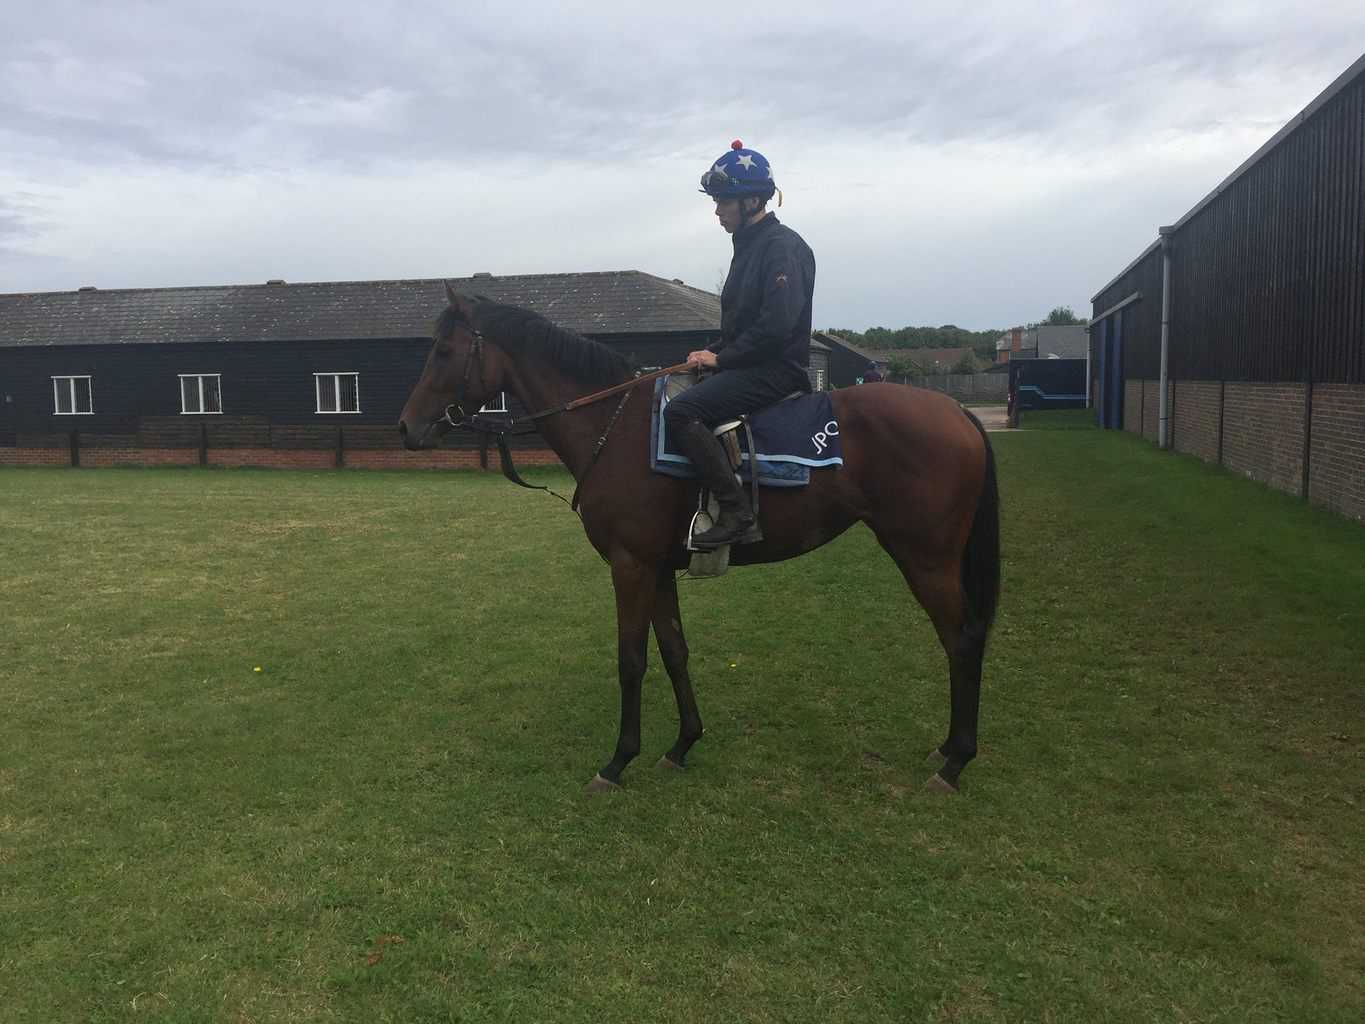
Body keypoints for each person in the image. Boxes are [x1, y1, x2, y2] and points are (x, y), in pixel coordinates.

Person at [663, 140, 817, 549]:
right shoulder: (748, 247)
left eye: (723, 202)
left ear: (751, 201)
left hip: (777, 370)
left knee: (681, 411)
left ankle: (737, 512)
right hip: (750, 363)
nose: (716, 211)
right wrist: (710, 353)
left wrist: (722, 358)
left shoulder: (782, 247)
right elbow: (742, 327)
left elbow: (777, 326)